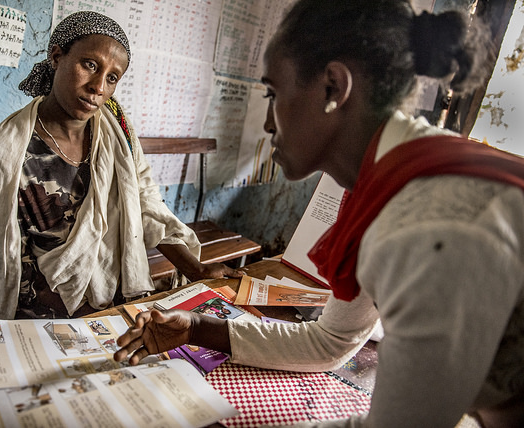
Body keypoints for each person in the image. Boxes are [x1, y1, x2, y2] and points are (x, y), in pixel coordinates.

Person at [115, 1, 524, 427]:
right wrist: (199, 328)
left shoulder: (427, 224)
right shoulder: (386, 186)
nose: (269, 125)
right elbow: (331, 341)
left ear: (332, 87)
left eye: (273, 94)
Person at [0, 11, 242, 320]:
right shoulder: (7, 151)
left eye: (112, 77)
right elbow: (12, 262)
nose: (98, 87)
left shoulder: (114, 123)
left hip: (114, 287)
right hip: (48, 302)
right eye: (90, 65)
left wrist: (196, 268)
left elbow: (144, 199)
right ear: (57, 56)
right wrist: (98, 319)